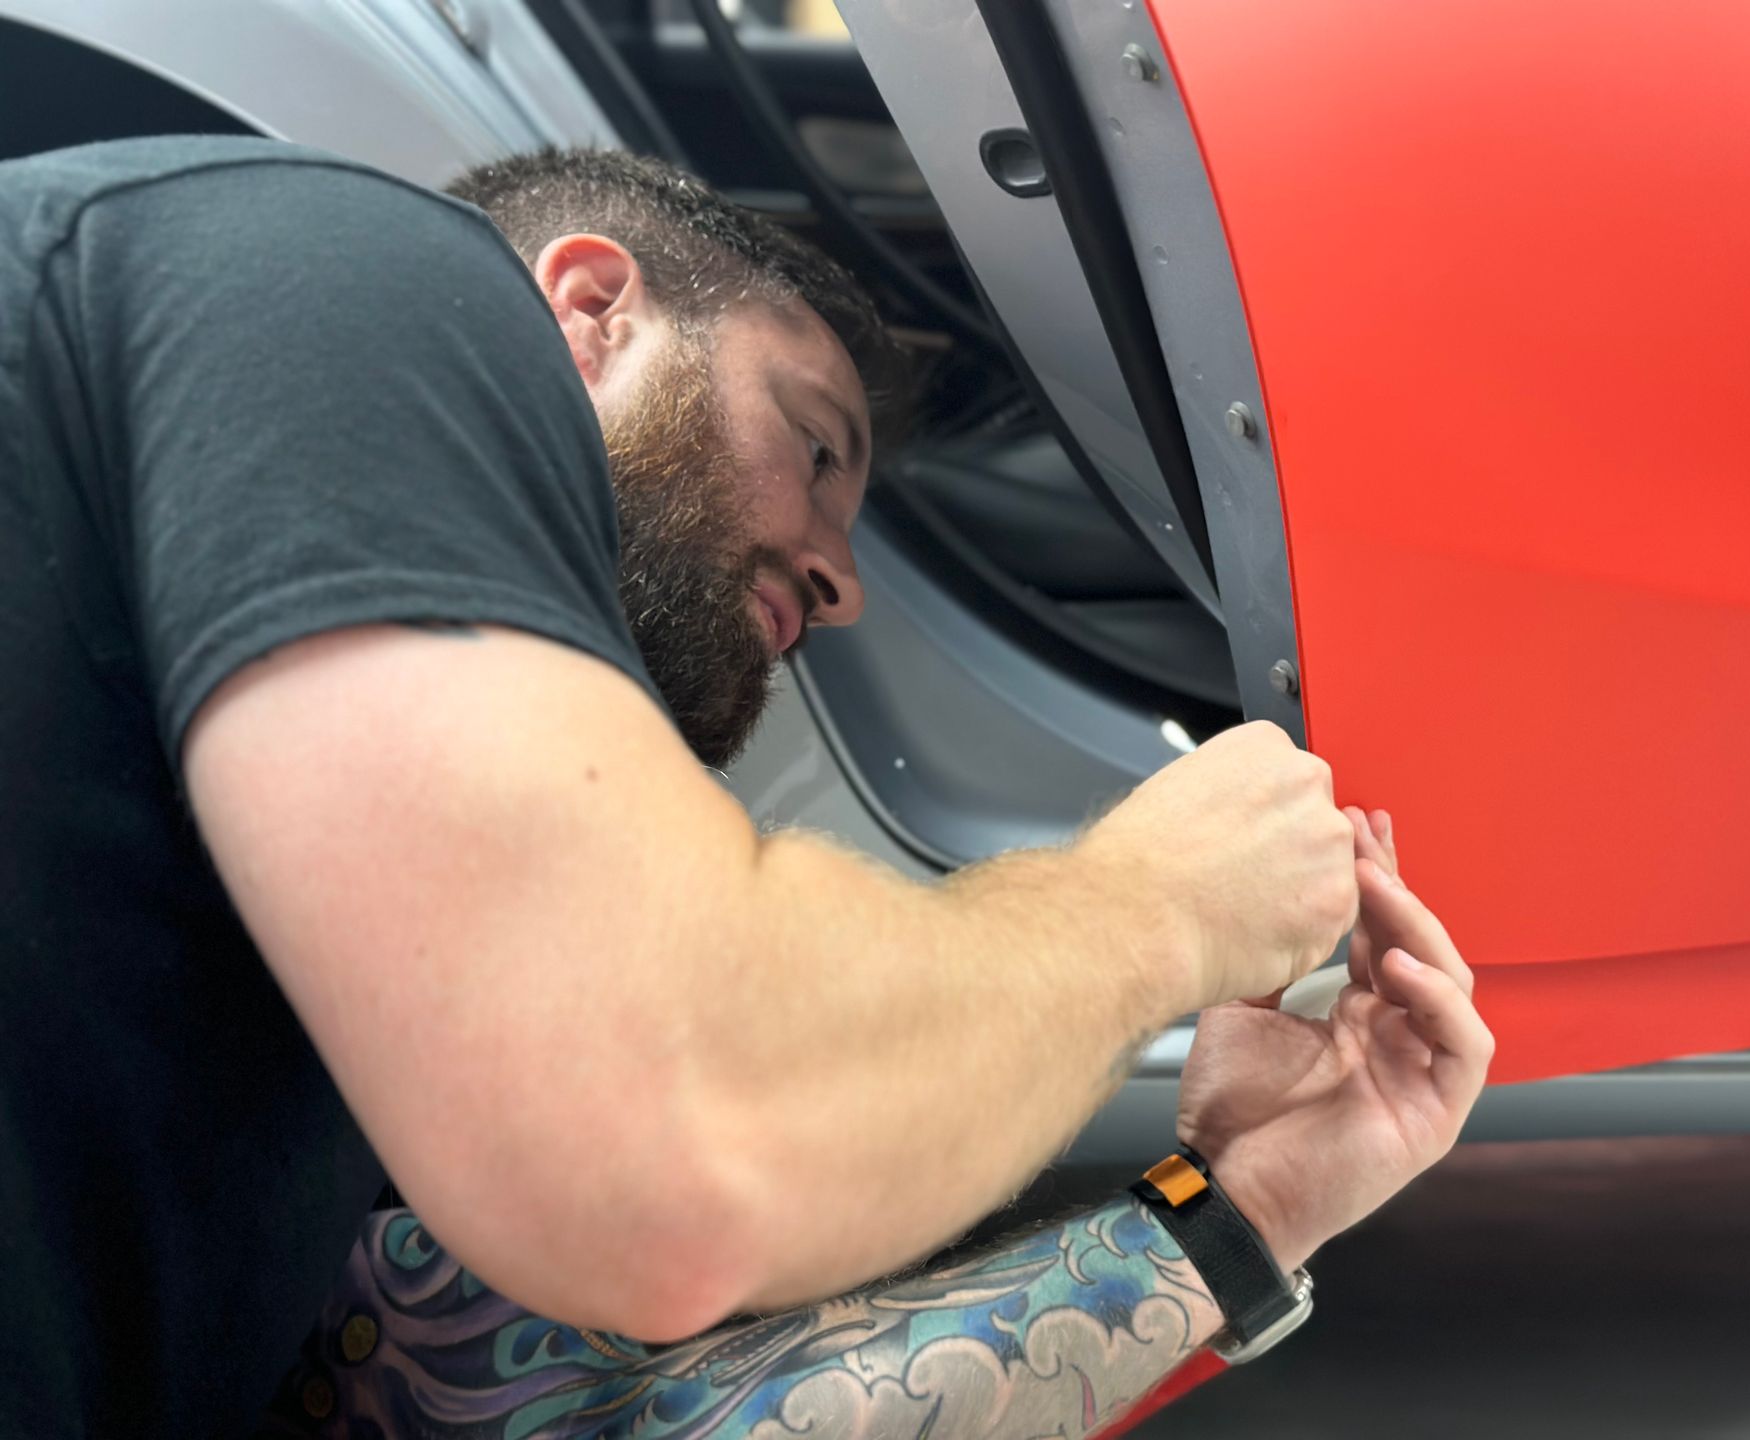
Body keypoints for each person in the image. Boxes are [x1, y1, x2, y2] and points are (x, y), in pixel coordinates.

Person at [0, 135, 1492, 1438]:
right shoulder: (344, 272)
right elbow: (676, 1166)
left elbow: (525, 1406)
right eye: (815, 444)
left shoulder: (387, 980)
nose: (841, 582)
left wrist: (1244, 1206)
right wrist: (1157, 905)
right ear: (592, 308)